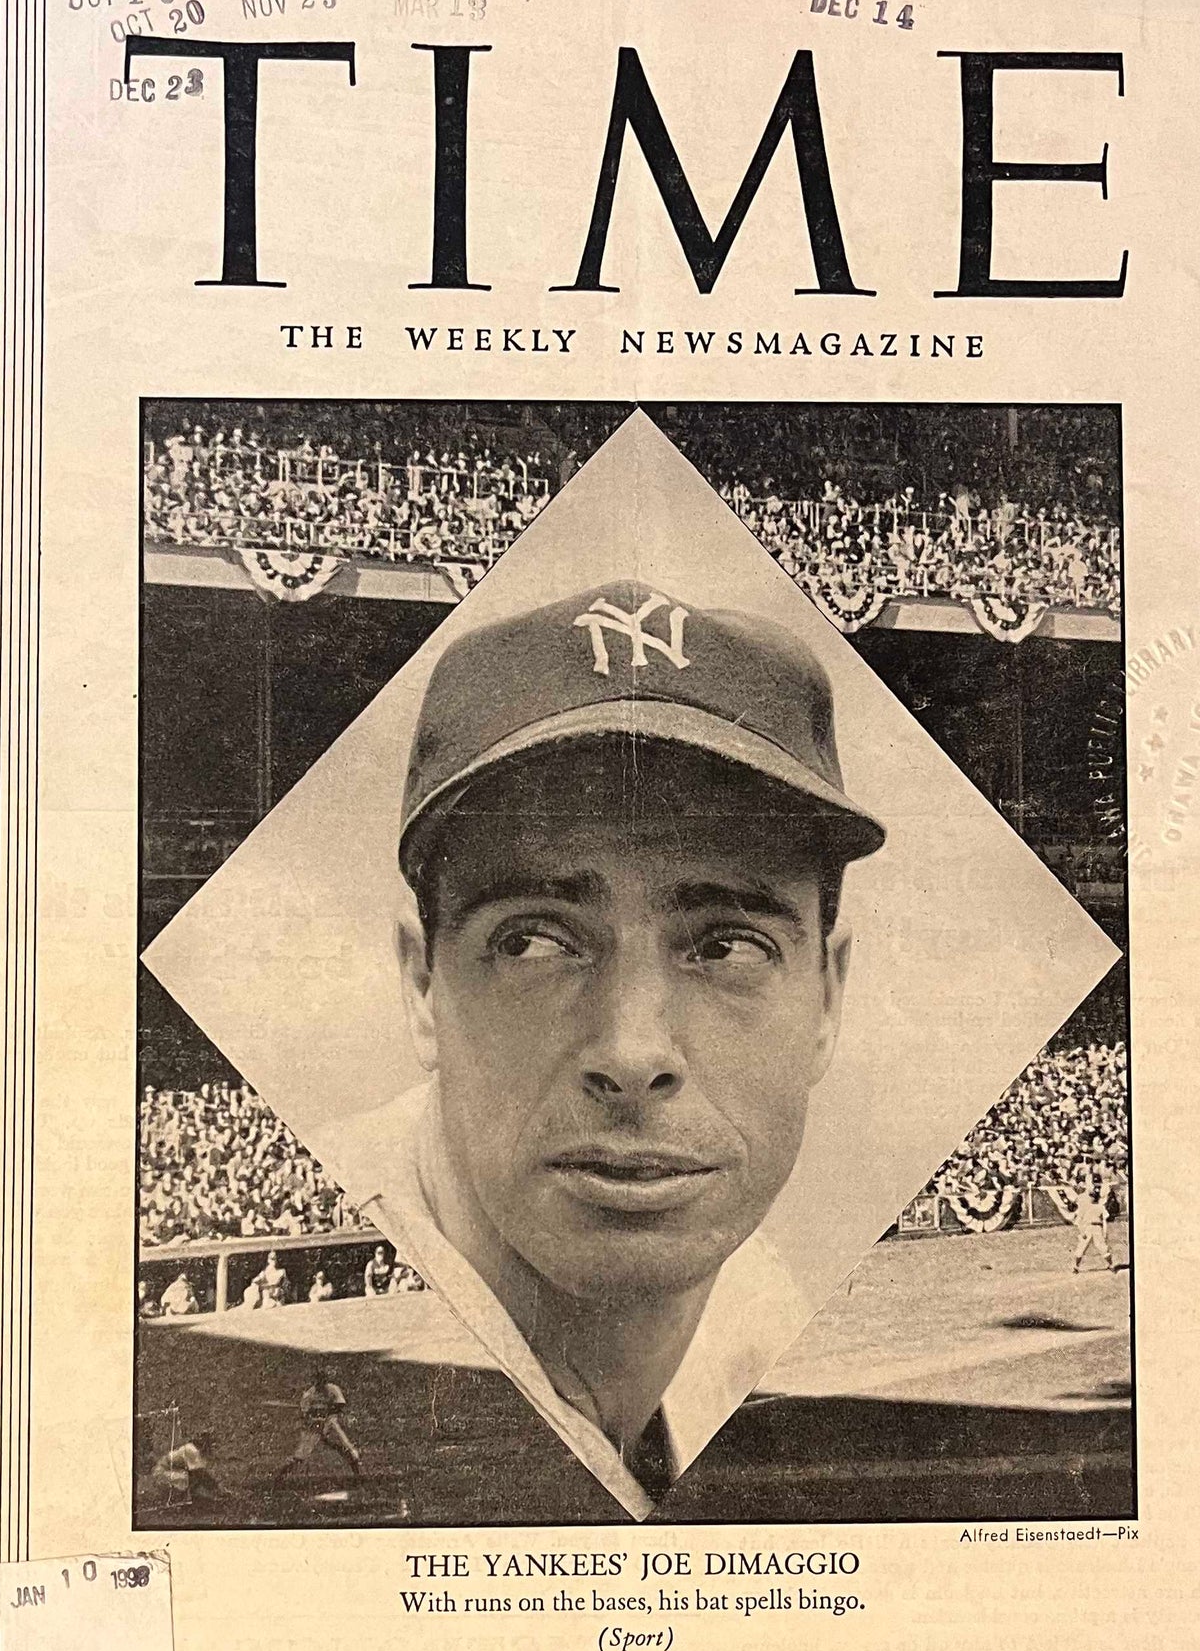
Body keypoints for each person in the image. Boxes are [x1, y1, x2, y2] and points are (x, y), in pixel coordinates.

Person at [319, 576, 884, 1518]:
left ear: (828, 996)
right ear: (423, 986)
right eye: (534, 940)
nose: (631, 1050)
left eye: (726, 945)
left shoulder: (765, 1320)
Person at [277, 1372, 364, 1479]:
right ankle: (280, 1476)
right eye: (318, 1382)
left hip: (330, 1423)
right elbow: (305, 1413)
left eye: (322, 1381)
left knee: (346, 1447)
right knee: (301, 1455)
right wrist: (314, 1413)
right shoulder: (309, 1394)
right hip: (314, 1426)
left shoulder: (333, 1389)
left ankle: (358, 1475)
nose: (320, 1384)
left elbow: (340, 1405)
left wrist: (325, 1410)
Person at [152, 1428, 220, 1505]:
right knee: (192, 1477)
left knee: (192, 1477)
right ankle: (183, 1498)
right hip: (163, 1473)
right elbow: (198, 1473)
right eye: (208, 1443)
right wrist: (215, 1489)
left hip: (173, 1472)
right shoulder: (191, 1449)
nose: (210, 1447)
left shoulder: (199, 1451)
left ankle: (192, 1498)